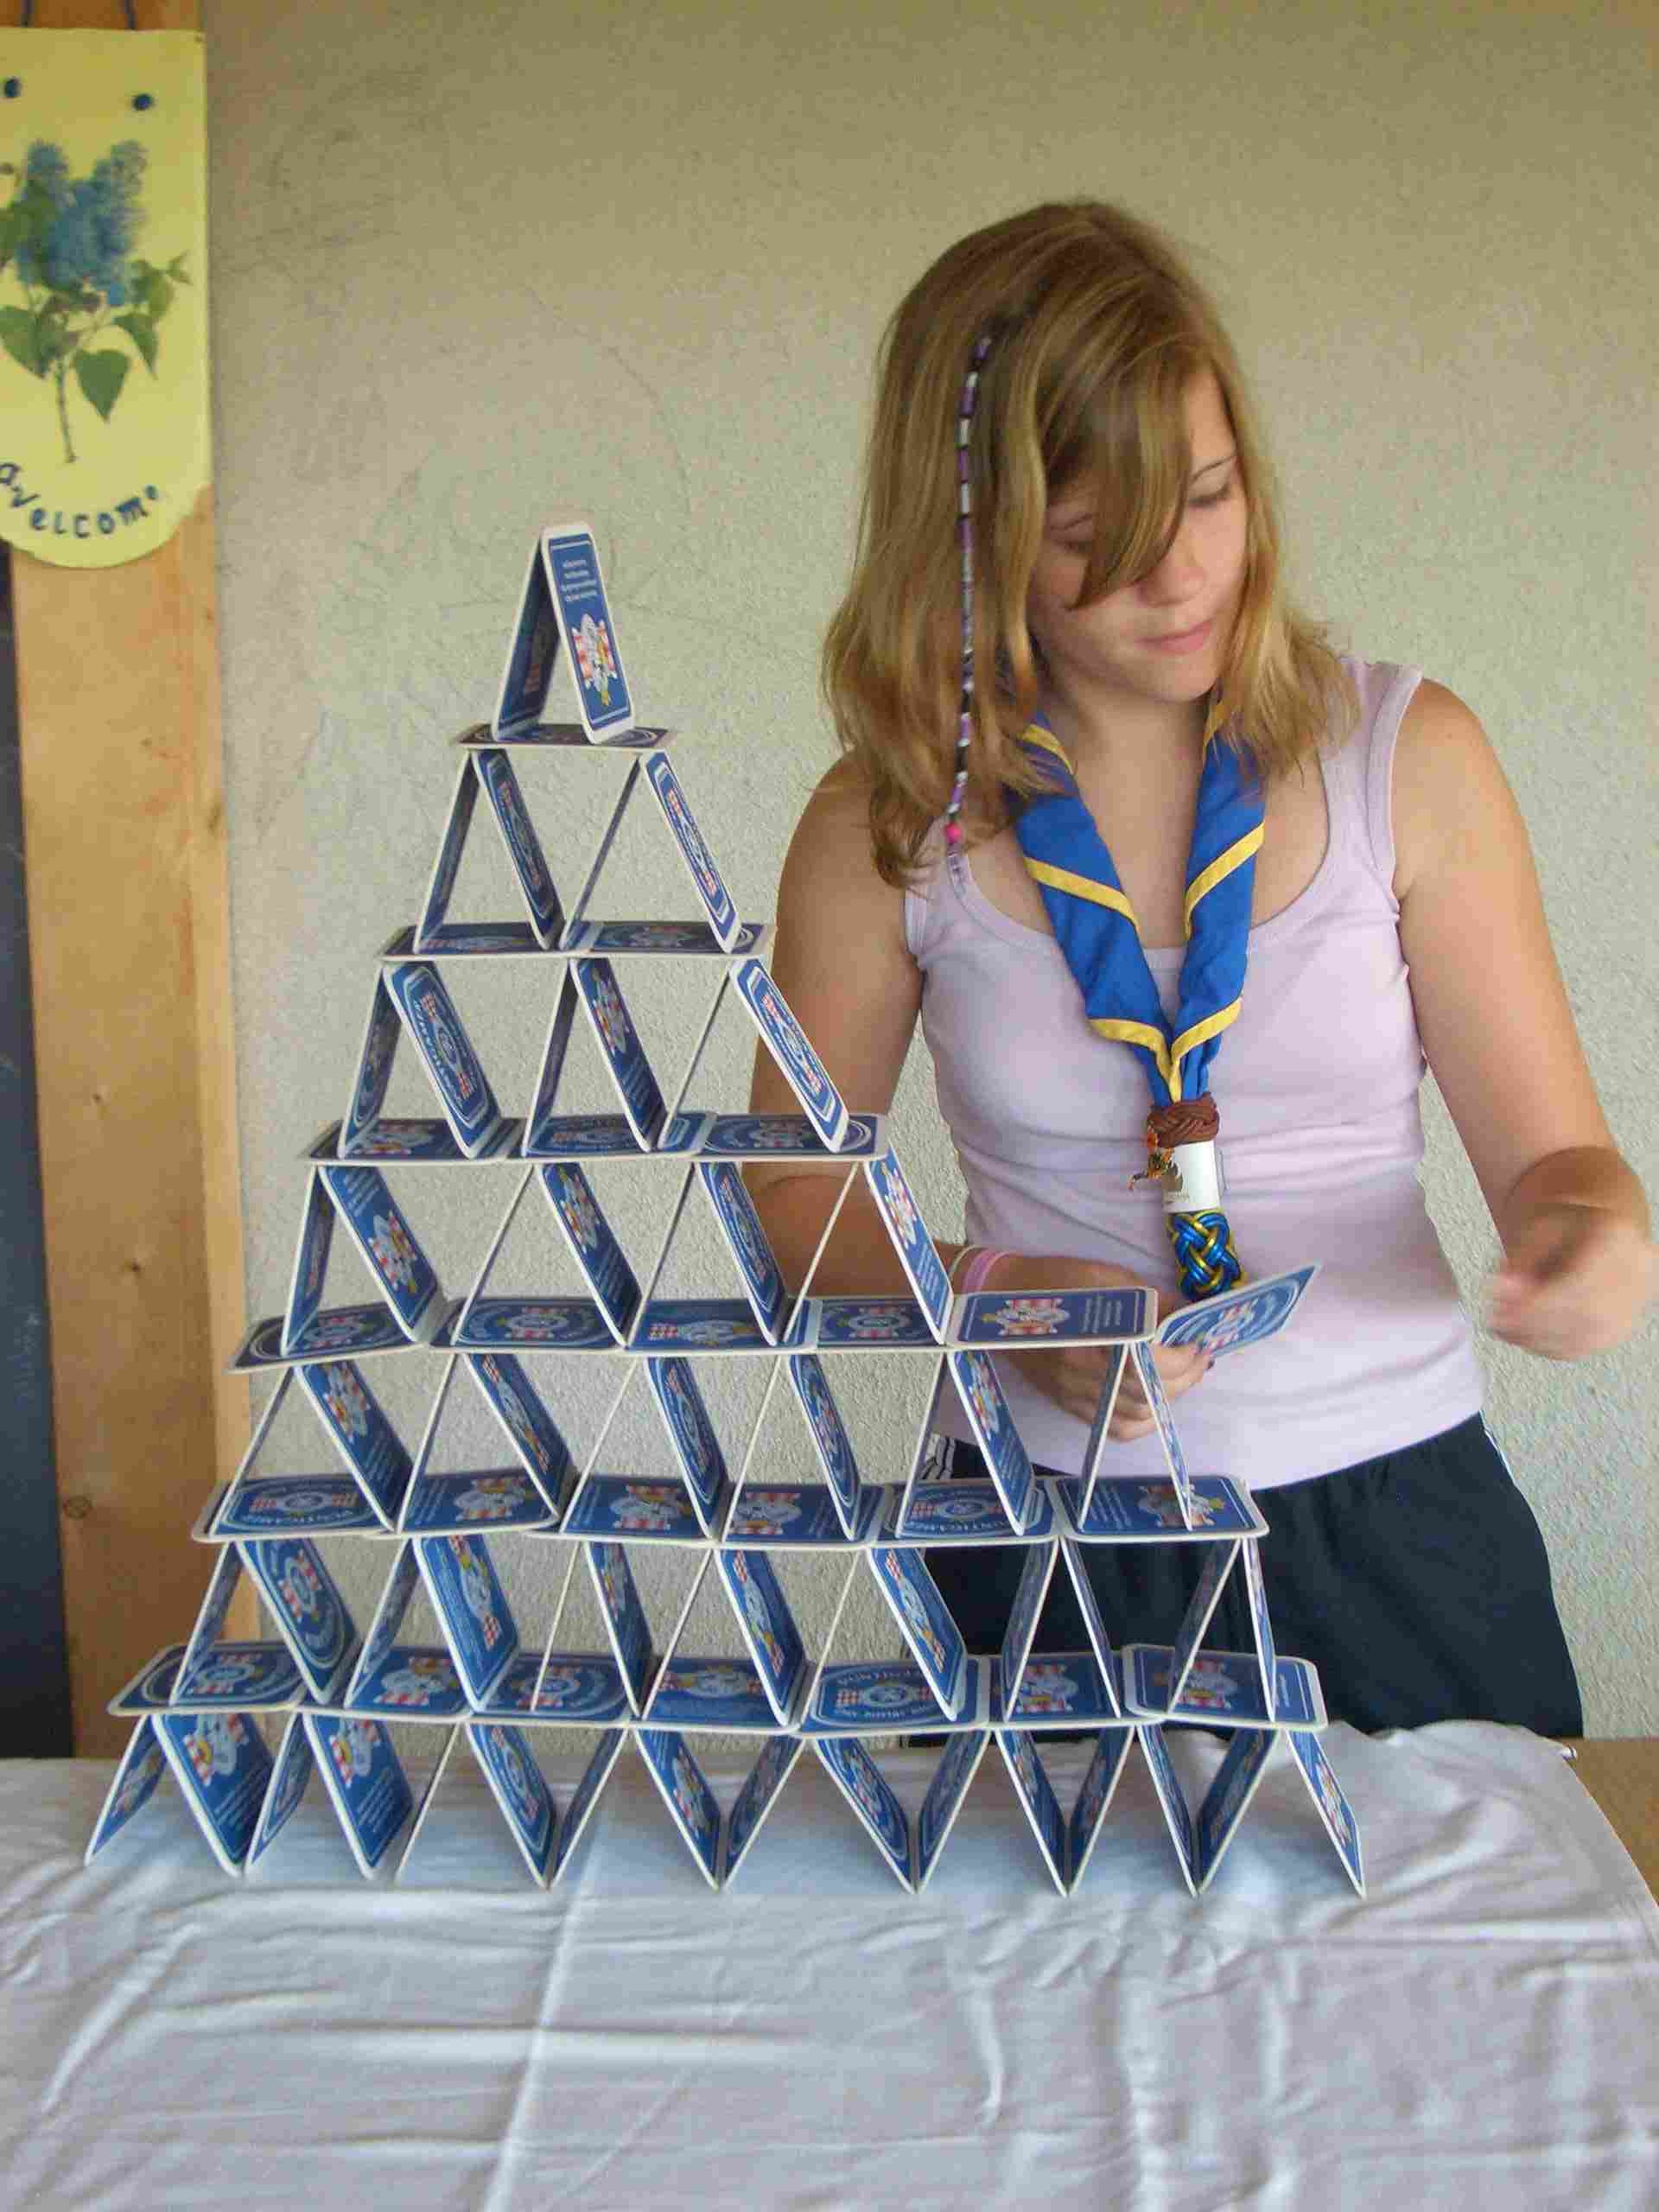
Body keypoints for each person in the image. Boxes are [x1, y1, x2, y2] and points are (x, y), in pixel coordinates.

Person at [742, 200, 1654, 1735]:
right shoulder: (886, 819)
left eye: (1212, 498)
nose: (1179, 578)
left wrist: (1596, 1240)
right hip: (1046, 1535)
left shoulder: (1406, 757)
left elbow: (1559, 1164)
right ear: (969, 544)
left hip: (1397, 1525)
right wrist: (1004, 1299)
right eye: (1095, 542)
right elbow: (789, 1194)